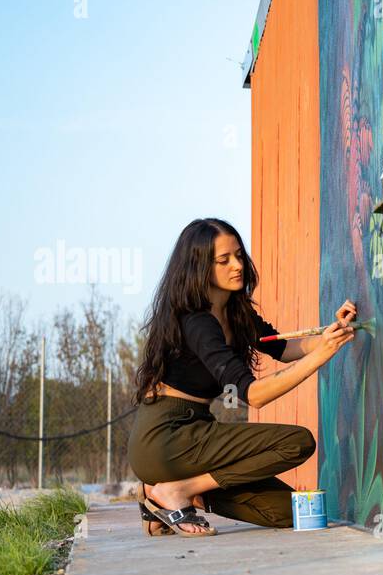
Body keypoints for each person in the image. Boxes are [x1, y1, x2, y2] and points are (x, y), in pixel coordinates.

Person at [127, 217, 355, 536]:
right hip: (165, 438)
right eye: (224, 260)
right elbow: (254, 394)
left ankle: (167, 496)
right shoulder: (197, 323)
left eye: (239, 255)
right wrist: (322, 355)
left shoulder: (236, 312)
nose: (237, 266)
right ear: (199, 268)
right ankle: (176, 491)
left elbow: (286, 348)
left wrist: (333, 334)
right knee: (297, 441)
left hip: (195, 433)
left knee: (287, 512)